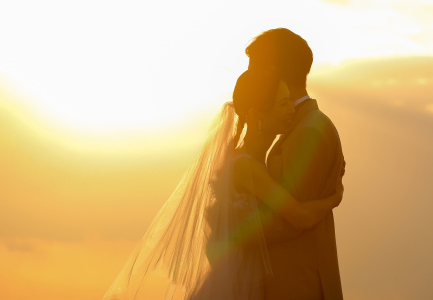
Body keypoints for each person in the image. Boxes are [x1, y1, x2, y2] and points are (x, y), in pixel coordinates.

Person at [103, 67, 344, 300]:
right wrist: (335, 196)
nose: (291, 110)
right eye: (282, 104)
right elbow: (299, 216)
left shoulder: (251, 161)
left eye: (289, 101)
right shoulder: (246, 167)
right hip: (240, 284)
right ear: (256, 114)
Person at [247, 28, 345, 300]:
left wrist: (227, 235)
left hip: (299, 285)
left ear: (272, 69)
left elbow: (288, 222)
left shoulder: (308, 131)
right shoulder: (299, 126)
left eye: (254, 68)